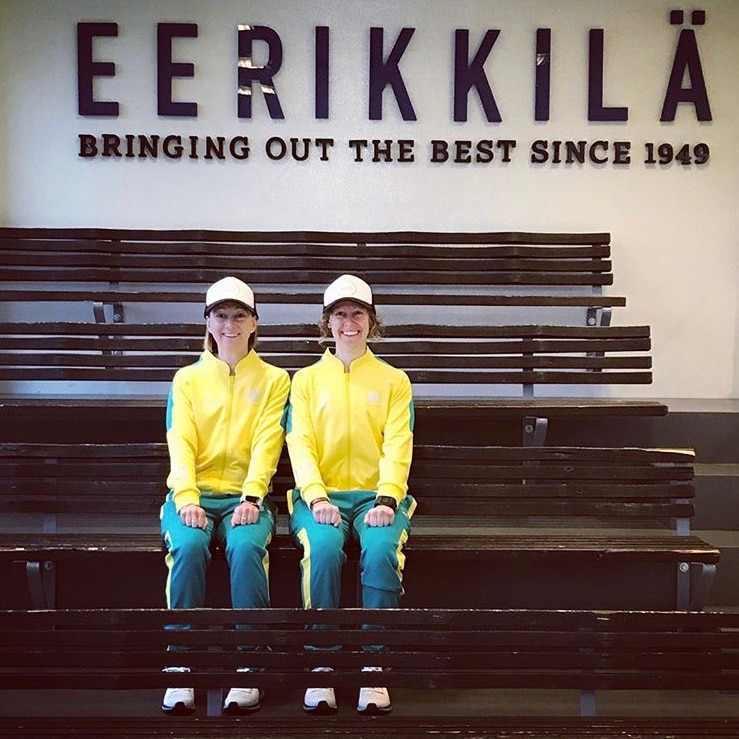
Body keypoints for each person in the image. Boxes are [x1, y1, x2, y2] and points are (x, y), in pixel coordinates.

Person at [159, 276, 290, 715]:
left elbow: (268, 442)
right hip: (191, 498)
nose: (229, 324)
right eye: (220, 315)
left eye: (239, 315)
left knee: (247, 546)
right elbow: (181, 441)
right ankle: (181, 667)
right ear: (208, 323)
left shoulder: (275, 380)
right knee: (189, 545)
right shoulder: (186, 379)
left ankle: (248, 666)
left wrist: (252, 498)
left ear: (254, 323)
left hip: (245, 500)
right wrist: (187, 499)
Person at [285, 274, 415, 715]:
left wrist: (387, 499)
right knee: (321, 548)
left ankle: (373, 668)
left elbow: (399, 443)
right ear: (327, 322)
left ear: (372, 321)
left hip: (377, 500)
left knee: (380, 549)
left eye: (357, 313)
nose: (349, 322)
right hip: (320, 497)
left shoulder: (395, 380)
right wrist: (317, 498)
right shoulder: (304, 380)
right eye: (340, 314)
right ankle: (321, 667)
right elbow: (298, 441)